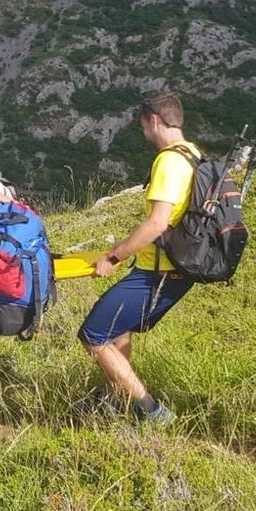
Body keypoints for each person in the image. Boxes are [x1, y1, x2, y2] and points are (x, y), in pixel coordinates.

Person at [79, 91, 200, 425]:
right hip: (172, 269)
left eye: (143, 125)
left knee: (92, 334)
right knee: (121, 331)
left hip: (157, 274)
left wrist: (115, 257)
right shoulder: (193, 154)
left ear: (154, 120)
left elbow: (158, 222)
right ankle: (112, 401)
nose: (143, 132)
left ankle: (149, 410)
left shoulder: (168, 160)